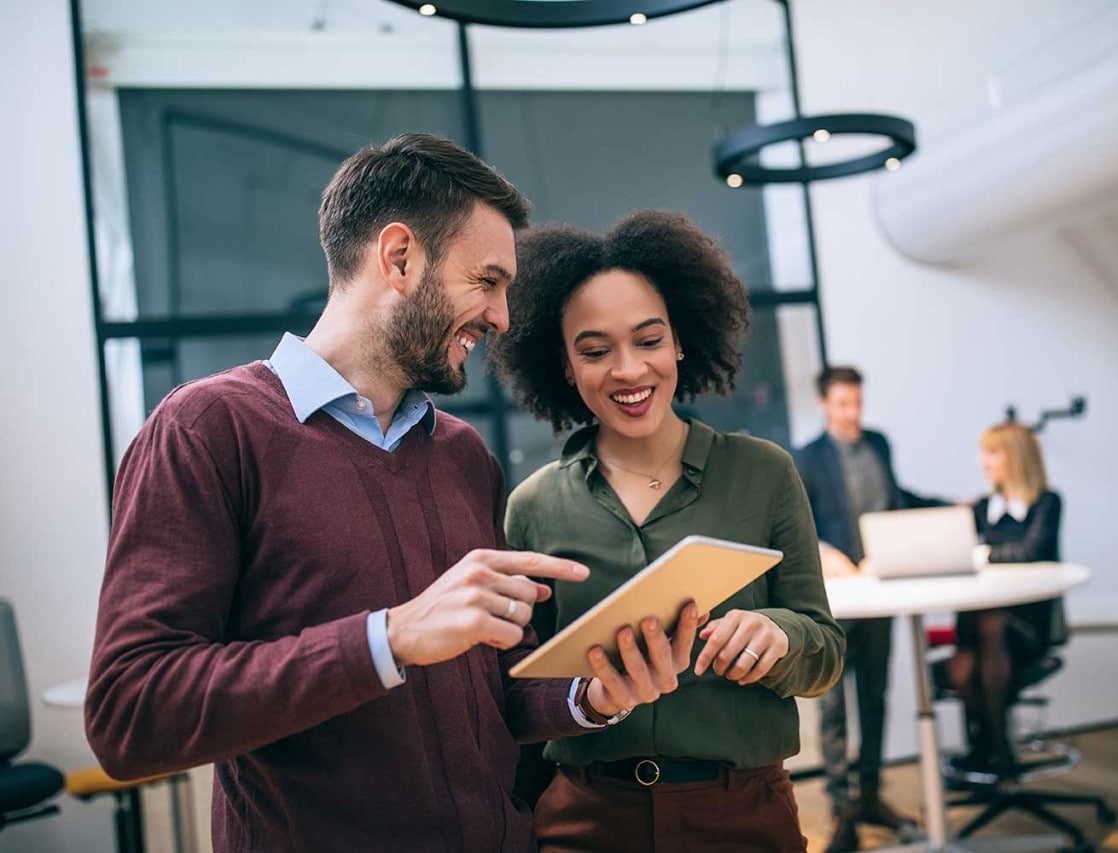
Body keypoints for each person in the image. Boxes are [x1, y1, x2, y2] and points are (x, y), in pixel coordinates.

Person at [84, 133, 698, 853]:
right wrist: (390, 636)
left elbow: (497, 681)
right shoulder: (207, 428)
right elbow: (131, 714)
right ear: (399, 257)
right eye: (488, 281)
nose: (502, 317)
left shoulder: (463, 454)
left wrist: (590, 695)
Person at [490, 210, 845, 852]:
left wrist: (780, 636)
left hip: (743, 815)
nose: (629, 371)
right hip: (585, 818)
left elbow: (825, 651)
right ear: (565, 366)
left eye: (649, 341)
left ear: (681, 340)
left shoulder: (763, 473)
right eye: (595, 351)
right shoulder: (533, 506)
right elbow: (515, 695)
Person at [793, 365, 946, 852]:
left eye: (857, 403)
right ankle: (842, 810)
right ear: (825, 405)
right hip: (837, 601)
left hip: (880, 593)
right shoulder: (809, 458)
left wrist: (949, 508)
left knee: (875, 697)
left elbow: (896, 500)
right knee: (834, 705)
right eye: (842, 404)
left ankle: (871, 795)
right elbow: (797, 522)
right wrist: (822, 550)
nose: (852, 413)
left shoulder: (878, 444)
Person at [947, 422, 1063, 778]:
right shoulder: (982, 508)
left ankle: (995, 750)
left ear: (1016, 456)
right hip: (981, 630)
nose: (984, 461)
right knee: (964, 664)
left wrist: (981, 555)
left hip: (1026, 628)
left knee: (991, 626)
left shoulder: (1046, 502)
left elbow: (1032, 550)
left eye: (992, 452)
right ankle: (992, 747)